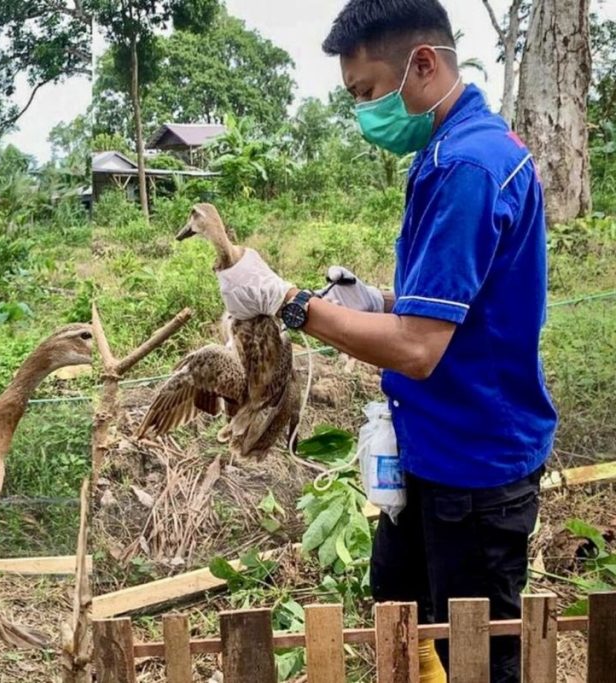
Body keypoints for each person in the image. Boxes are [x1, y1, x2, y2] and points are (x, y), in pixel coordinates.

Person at [217, 2, 556, 681]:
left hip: (476, 467)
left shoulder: (467, 167)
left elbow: (418, 349)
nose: (365, 113)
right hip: (434, 451)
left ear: (422, 64)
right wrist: (378, 301)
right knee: (398, 602)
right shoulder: (455, 152)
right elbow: (455, 305)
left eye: (367, 93)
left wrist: (291, 303)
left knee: (477, 659)